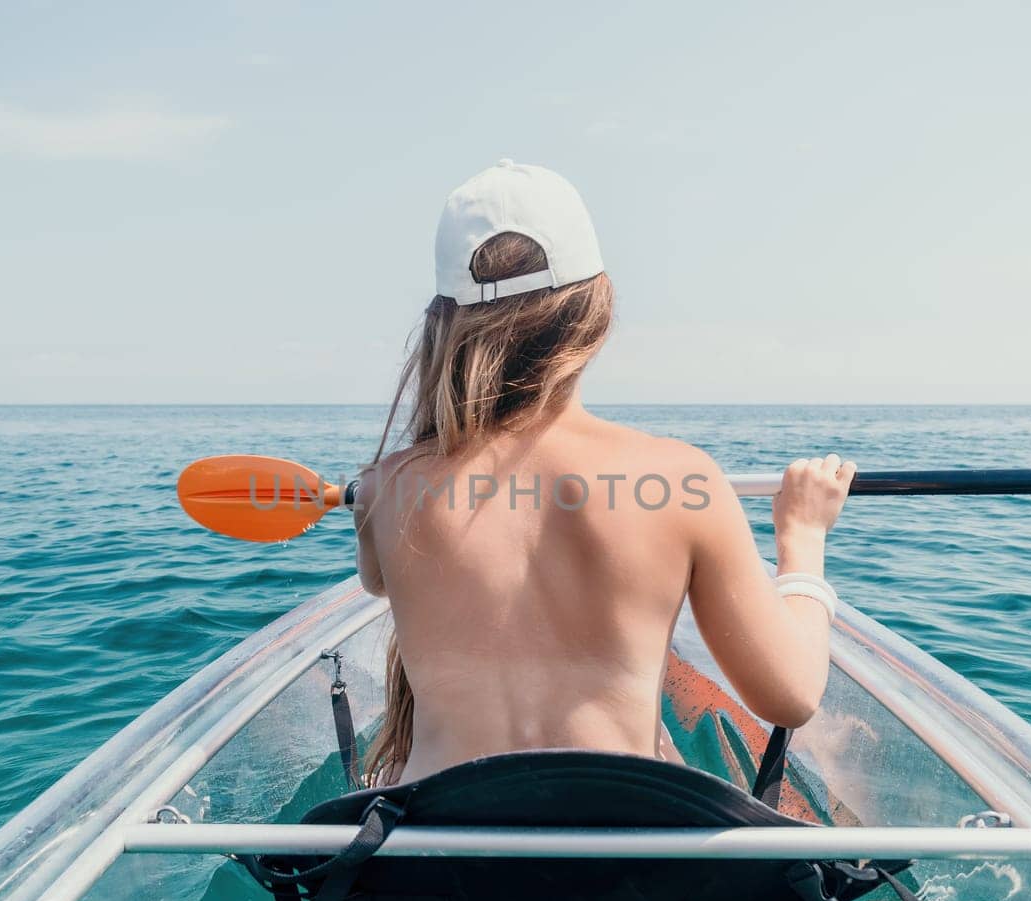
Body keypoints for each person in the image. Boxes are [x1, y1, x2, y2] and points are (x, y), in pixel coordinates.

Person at [353, 160, 854, 785]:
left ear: (444, 318)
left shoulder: (384, 489)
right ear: (596, 306)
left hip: (440, 860)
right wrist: (803, 543)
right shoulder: (684, 481)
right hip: (621, 862)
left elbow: (378, 582)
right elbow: (792, 696)